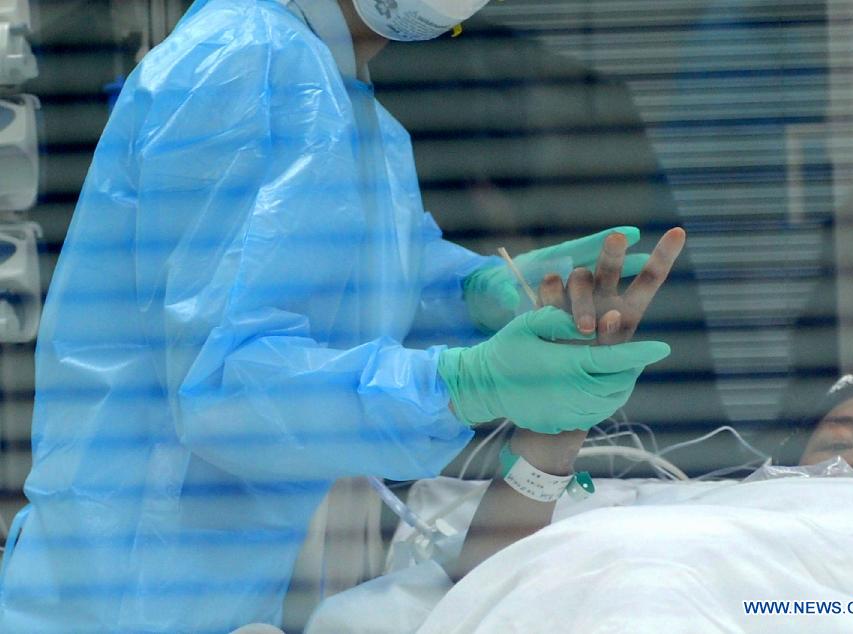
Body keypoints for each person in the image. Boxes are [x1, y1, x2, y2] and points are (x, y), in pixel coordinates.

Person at [0, 1, 679, 631]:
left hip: (246, 586)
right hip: (135, 594)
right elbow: (223, 382)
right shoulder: (244, 61)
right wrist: (462, 382)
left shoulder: (355, 113)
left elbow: (364, 283)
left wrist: (476, 291)